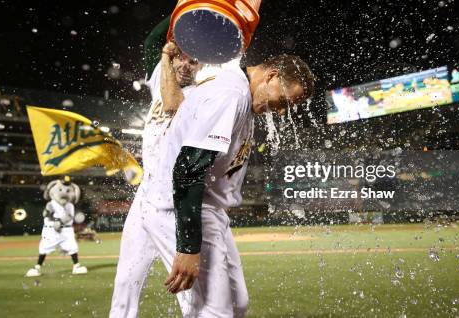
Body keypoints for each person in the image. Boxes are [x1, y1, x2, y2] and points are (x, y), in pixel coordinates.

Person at [160, 54, 315, 316]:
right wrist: (188, 247)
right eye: (284, 101)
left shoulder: (241, 92)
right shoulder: (232, 93)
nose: (280, 111)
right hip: (184, 205)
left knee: (236, 304)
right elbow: (188, 169)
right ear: (272, 75)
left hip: (209, 208)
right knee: (215, 311)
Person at [110, 17, 202, 317]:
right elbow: (152, 39)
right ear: (172, 58)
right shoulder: (159, 79)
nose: (186, 65)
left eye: (194, 61)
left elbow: (174, 104)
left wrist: (167, 54)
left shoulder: (202, 95)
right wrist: (188, 9)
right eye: (181, 58)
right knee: (126, 276)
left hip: (173, 197)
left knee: (184, 282)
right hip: (146, 193)